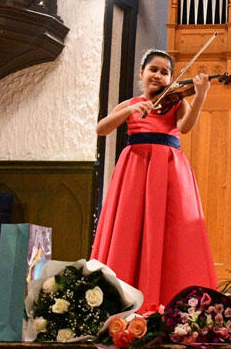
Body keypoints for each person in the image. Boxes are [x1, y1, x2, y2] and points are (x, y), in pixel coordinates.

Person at [91, 49, 217, 306]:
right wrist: (131, 109)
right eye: (153, 70)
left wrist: (200, 95)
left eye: (165, 72)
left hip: (169, 172)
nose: (158, 76)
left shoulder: (177, 102)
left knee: (171, 231)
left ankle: (166, 298)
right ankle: (123, 300)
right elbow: (101, 129)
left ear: (171, 78)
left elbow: (185, 128)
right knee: (129, 230)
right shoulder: (130, 104)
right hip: (135, 169)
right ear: (142, 73)